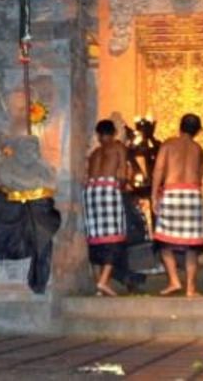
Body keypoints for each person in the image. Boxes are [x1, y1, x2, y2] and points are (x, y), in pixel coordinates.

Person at [150, 113, 203, 297]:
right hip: (192, 193)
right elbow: (200, 175)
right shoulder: (198, 149)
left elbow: (158, 169)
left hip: (172, 192)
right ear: (197, 131)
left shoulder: (168, 144)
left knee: (164, 240)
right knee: (193, 245)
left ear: (180, 127)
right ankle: (190, 288)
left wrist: (153, 195)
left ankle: (174, 279)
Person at [84, 120, 133, 296]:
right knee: (114, 238)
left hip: (91, 192)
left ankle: (99, 283)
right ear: (114, 133)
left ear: (98, 134)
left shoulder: (95, 153)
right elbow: (121, 175)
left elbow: (88, 175)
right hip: (109, 189)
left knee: (96, 238)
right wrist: (124, 187)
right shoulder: (118, 147)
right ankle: (104, 282)